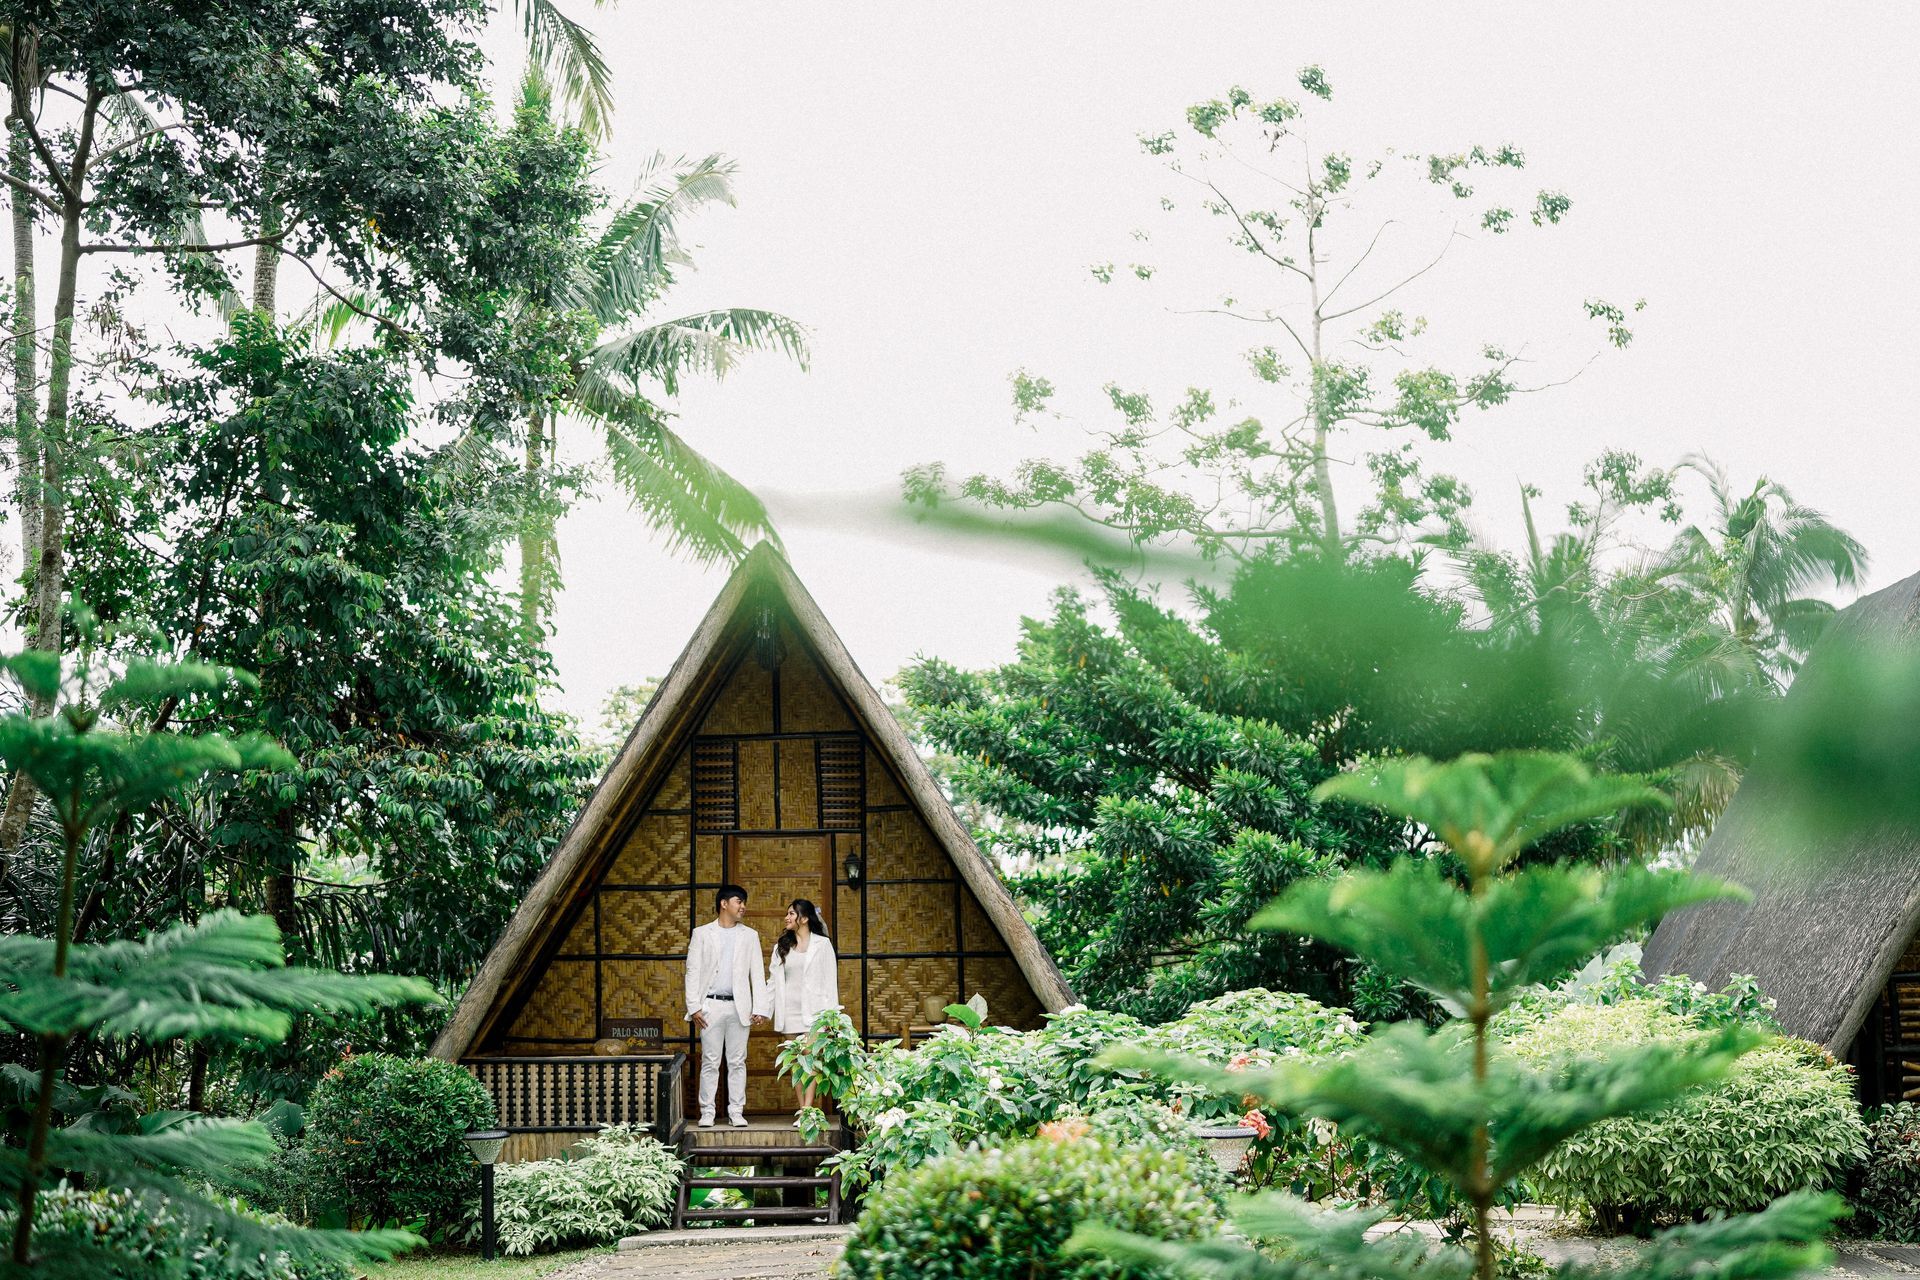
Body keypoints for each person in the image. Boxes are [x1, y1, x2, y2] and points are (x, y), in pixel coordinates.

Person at [683, 884, 769, 1127]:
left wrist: (760, 1008)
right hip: (710, 1006)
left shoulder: (750, 935)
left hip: (739, 1007)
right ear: (724, 904)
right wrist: (694, 1006)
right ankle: (707, 1112)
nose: (743, 906)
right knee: (710, 1061)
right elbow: (692, 971)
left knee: (737, 1061)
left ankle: (736, 1112)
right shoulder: (701, 933)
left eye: (743, 902)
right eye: (739, 901)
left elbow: (757, 974)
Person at [766, 898, 839, 1123]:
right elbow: (772, 983)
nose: (786, 917)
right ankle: (803, 1109)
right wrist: (764, 1010)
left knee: (811, 1059)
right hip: (789, 1012)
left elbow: (830, 982)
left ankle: (807, 1111)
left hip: (814, 1012)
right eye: (787, 913)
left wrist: (832, 1018)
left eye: (791, 914)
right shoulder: (781, 947)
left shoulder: (822, 945)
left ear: (804, 918)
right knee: (796, 1062)